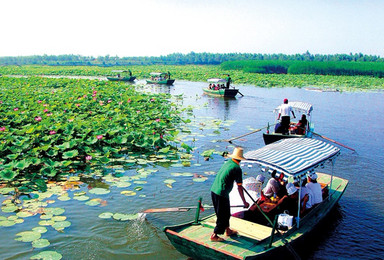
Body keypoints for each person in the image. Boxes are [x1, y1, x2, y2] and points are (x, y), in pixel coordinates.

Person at [210, 147, 250, 242]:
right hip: (221, 193)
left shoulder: (228, 162)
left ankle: (228, 230)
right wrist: (244, 202)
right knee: (222, 215)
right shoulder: (237, 168)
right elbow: (239, 187)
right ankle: (214, 235)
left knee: (226, 212)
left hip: (214, 190)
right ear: (240, 158)